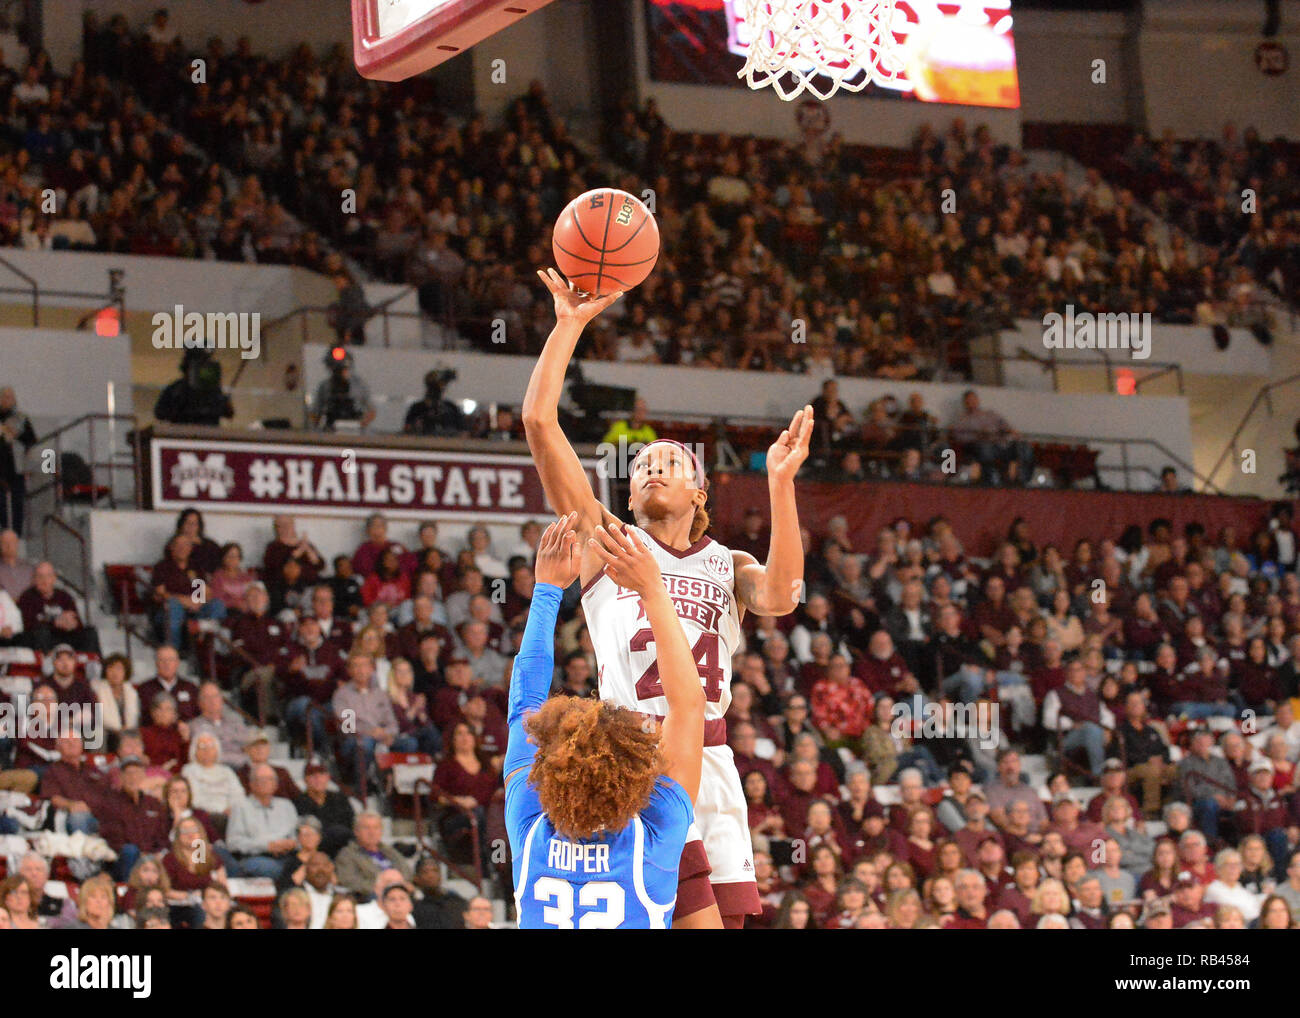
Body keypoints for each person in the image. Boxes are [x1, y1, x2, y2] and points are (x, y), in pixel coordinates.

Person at [524, 269, 812, 927]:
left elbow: (784, 595)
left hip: (708, 753)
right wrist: (568, 326)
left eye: (673, 463)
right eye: (643, 466)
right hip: (630, 756)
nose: (654, 466)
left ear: (699, 492)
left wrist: (780, 486)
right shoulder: (607, 541)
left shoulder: (727, 562)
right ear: (627, 496)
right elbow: (540, 423)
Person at [506, 515, 704, 928]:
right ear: (633, 771)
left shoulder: (530, 822)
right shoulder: (654, 831)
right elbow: (686, 706)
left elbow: (525, 700)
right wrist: (652, 590)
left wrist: (546, 591)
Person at [154, 348, 233, 427]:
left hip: (209, 435)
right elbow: (160, 413)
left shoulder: (214, 390)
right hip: (183, 434)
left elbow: (228, 413)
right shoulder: (176, 389)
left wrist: (224, 401)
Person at [0, 386, 36, 536]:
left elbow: (32, 440)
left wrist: (14, 434)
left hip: (16, 468)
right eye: (5, 397)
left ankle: (17, 535)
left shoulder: (21, 419)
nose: (8, 400)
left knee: (17, 503)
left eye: (11, 397)